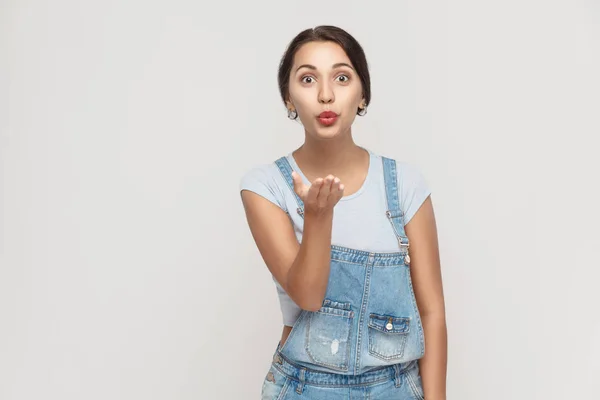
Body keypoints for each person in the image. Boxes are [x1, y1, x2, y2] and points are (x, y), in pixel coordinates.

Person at [240, 25, 447, 400]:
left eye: (341, 77)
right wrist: (318, 216)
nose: (325, 95)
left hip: (397, 388)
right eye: (307, 79)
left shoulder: (404, 185)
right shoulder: (266, 186)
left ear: (362, 94)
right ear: (288, 98)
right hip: (306, 388)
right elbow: (308, 297)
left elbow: (431, 313)